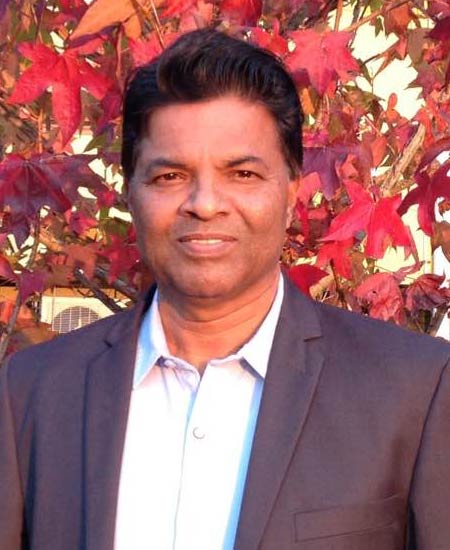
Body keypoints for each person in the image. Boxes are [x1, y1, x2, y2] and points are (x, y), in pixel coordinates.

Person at [1, 29, 449, 550]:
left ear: (291, 191)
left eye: (242, 174)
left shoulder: (416, 389)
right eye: (170, 176)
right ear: (131, 193)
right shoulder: (30, 391)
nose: (205, 203)